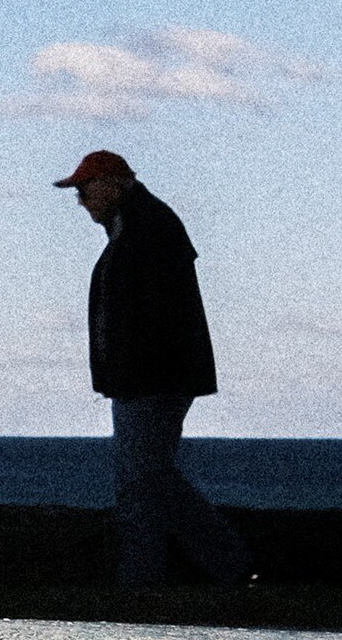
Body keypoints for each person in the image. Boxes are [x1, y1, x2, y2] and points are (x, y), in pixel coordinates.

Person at [58, 150, 250, 589]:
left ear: (112, 183)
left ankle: (184, 572)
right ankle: (185, 572)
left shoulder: (146, 227)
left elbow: (156, 311)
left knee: (143, 479)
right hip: (145, 377)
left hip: (152, 378)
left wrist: (134, 370)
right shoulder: (135, 227)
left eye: (85, 190)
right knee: (145, 478)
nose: (82, 201)